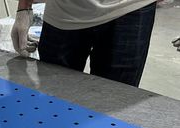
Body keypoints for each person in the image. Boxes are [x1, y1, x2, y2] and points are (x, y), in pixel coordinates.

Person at [11, 0, 158, 87]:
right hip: (65, 11)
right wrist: (24, 7)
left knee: (115, 106)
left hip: (131, 8)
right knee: (53, 98)